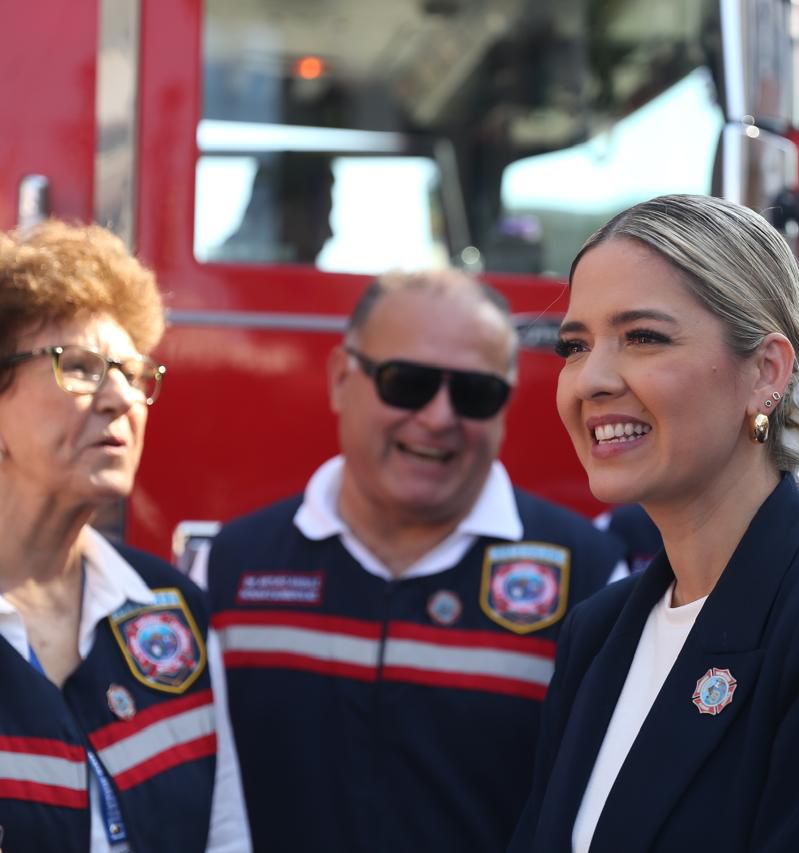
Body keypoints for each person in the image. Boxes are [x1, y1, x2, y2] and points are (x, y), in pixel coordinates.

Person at [512, 194, 799, 851]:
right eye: (574, 344)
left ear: (767, 371)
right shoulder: (599, 629)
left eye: (643, 336)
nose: (591, 378)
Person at [202, 270, 623, 851]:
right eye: (407, 383)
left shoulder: (592, 579)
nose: (439, 417)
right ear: (340, 379)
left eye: (475, 393)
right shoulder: (234, 569)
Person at [0, 221, 249, 853]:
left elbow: (225, 838)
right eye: (79, 367)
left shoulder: (171, 609)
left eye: (133, 372)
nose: (120, 397)